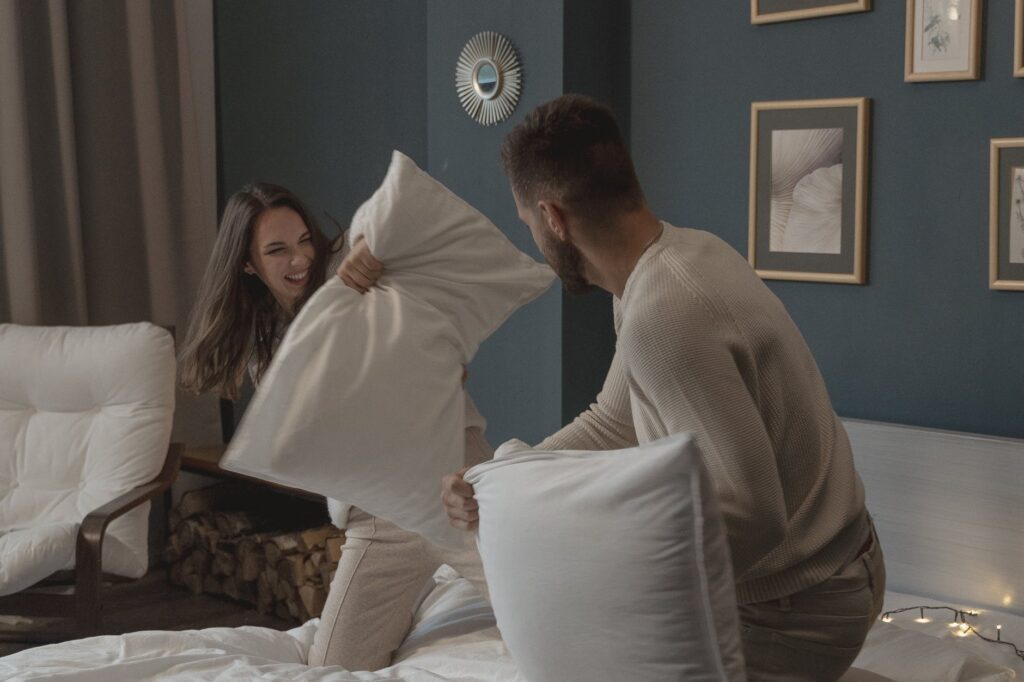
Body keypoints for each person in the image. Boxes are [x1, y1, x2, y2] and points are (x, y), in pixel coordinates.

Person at [440, 95, 885, 682]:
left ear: (552, 217)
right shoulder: (675, 260)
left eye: (528, 226)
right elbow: (613, 420)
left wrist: (605, 572)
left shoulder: (664, 312)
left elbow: (755, 516)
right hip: (830, 574)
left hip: (796, 607)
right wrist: (497, 482)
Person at [179, 183, 490, 671]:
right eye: (277, 250)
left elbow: (399, 211)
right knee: (334, 665)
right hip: (379, 515)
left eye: (304, 239)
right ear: (247, 265)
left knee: (550, 613)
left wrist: (370, 249)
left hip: (453, 482)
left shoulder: (350, 265)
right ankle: (415, 603)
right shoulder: (268, 354)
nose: (300, 257)